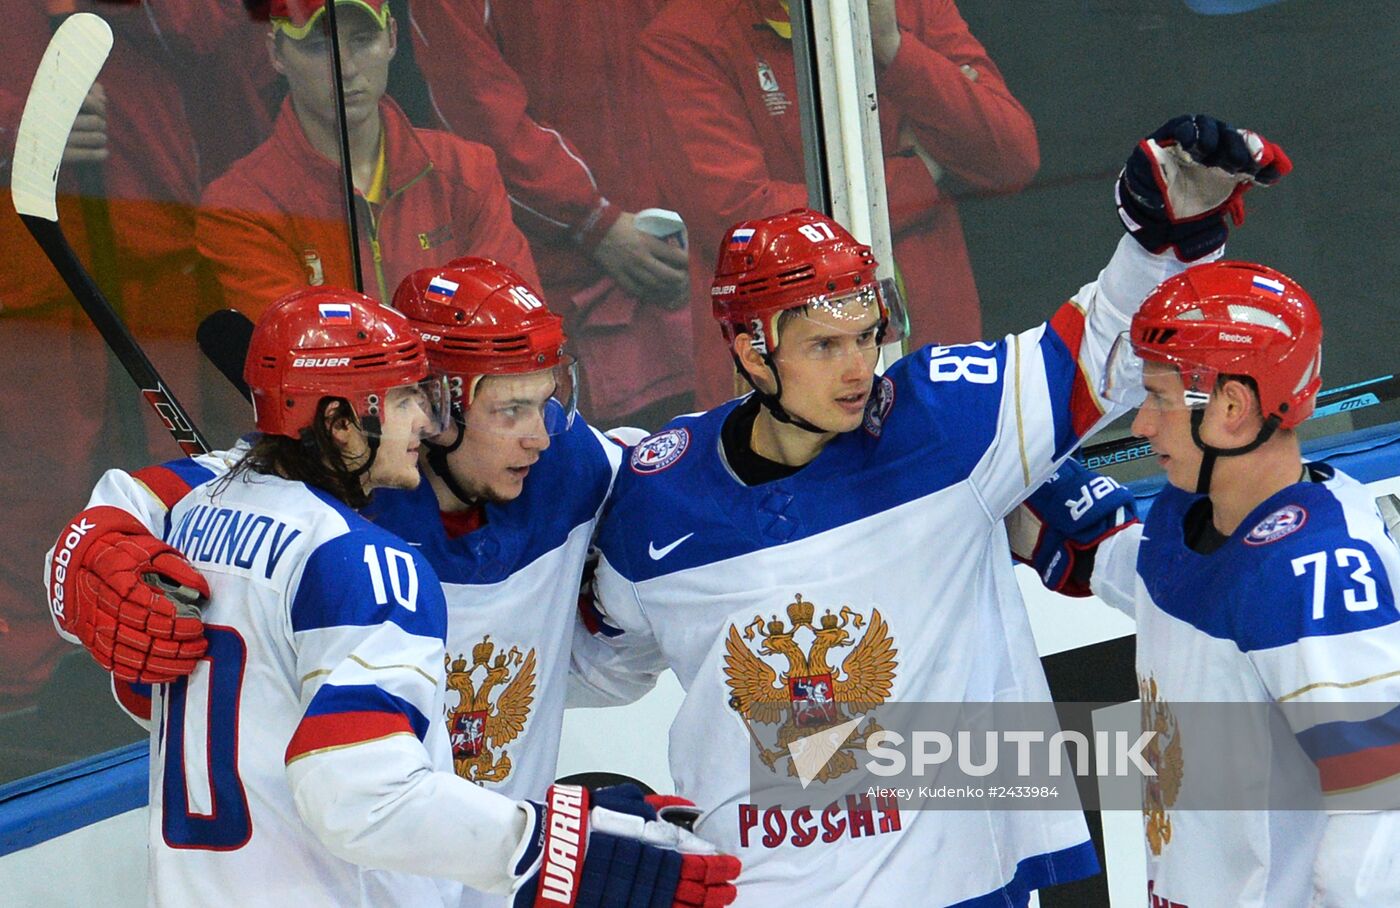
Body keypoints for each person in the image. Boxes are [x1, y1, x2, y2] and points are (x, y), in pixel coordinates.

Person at [571, 115, 1290, 905]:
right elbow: (595, 665)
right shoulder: (652, 496)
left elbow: (1102, 357)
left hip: (963, 884)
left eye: (866, 336)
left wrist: (1171, 237)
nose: (858, 369)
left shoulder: (945, 422)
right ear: (750, 351)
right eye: (823, 347)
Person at [44, 276, 741, 907]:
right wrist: (84, 563)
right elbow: (362, 797)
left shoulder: (219, 512)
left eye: (548, 403)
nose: (541, 436)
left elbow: (678, 486)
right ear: (436, 404)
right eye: (508, 411)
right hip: (375, 871)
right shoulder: (359, 552)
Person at [1038, 262, 1400, 906]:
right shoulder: (1193, 510)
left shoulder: (1319, 574)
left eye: (1159, 399)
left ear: (1231, 406)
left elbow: (1382, 807)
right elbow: (1155, 581)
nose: (1143, 426)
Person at [638, 0, 1040, 407]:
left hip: (936, 363)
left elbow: (1012, 157)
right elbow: (741, 221)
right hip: (788, 387)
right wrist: (922, 172)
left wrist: (891, 44)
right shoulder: (686, 36)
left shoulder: (909, 7)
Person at [407, 0, 694, 429]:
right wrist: (594, 223)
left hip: (678, 274)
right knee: (577, 468)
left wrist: (705, 226)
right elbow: (477, 115)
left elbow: (702, 68)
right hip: (558, 295)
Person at [195, 0, 538, 317]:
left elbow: (519, 329)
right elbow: (304, 365)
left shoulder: (467, 170)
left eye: (363, 39)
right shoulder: (240, 207)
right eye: (318, 45)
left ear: (391, 37)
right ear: (276, 54)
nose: (345, 68)